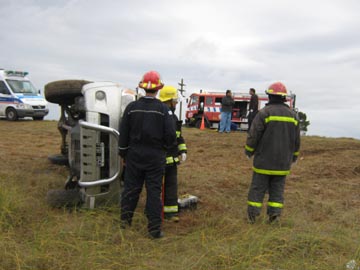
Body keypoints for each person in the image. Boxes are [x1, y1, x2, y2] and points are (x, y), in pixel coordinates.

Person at [119, 70, 176, 239]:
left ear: (143, 88)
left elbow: (123, 133)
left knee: (130, 190)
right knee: (153, 192)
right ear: (158, 89)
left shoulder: (131, 108)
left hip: (134, 156)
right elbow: (171, 135)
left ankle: (124, 223)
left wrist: (123, 154)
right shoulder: (163, 110)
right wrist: (164, 148)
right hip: (155, 157)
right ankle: (154, 231)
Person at [244, 82, 300, 224]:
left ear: (269, 96)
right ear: (284, 97)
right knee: (277, 190)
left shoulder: (264, 113)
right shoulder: (293, 116)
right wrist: (294, 156)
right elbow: (296, 140)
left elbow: (254, 134)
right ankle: (274, 216)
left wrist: (248, 151)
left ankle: (252, 217)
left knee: (257, 189)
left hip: (264, 161)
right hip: (283, 163)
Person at [158, 85, 187, 222]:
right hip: (160, 159)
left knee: (171, 186)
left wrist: (183, 150)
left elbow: (178, 136)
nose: (176, 103)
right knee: (157, 187)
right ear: (169, 101)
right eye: (174, 100)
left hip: (171, 160)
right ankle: (155, 211)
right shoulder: (160, 115)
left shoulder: (173, 117)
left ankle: (170, 212)